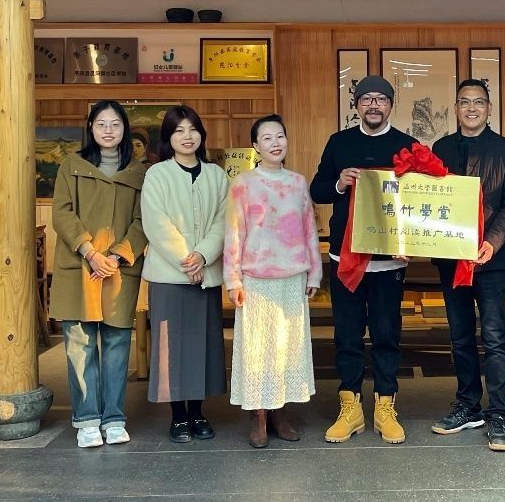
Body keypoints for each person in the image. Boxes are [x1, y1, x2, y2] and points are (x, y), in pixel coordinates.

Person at [310, 75, 418, 445]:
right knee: (347, 334)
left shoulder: (407, 145)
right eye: (366, 98)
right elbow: (318, 190)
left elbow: (420, 199)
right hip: (346, 257)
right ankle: (350, 408)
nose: (373, 105)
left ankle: (385, 406)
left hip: (389, 261)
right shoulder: (339, 143)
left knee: (387, 335)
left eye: (381, 99)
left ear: (391, 105)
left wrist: (413, 239)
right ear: (356, 105)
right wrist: (339, 183)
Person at [429, 79, 505, 452]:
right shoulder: (441, 149)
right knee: (460, 336)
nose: (471, 108)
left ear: (489, 108)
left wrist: (493, 241)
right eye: (465, 102)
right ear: (455, 108)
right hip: (451, 259)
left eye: (479, 102)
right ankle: (467, 405)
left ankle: (498, 412)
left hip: (491, 260)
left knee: (495, 338)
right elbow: (430, 200)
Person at [50, 100, 148, 449]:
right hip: (79, 265)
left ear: (125, 130)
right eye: (101, 123)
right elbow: (62, 213)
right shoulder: (71, 166)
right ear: (90, 127)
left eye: (115, 124)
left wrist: (118, 256)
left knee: (118, 345)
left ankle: (114, 418)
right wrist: (90, 252)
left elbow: (143, 221)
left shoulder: (139, 173)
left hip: (119, 269)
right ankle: (87, 419)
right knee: (80, 344)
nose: (108, 130)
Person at [224, 114, 323, 449]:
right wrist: (233, 280)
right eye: (266, 138)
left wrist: (314, 271)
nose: (275, 143)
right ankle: (259, 417)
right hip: (256, 280)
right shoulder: (243, 183)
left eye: (280, 136)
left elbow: (309, 229)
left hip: (292, 278)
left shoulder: (297, 182)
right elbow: (233, 233)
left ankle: (281, 415)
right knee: (258, 350)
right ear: (255, 146)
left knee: (287, 349)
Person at [141, 105, 228, 444]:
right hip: (169, 276)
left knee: (203, 344)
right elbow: (156, 222)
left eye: (193, 129)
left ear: (202, 135)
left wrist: (203, 255)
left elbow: (224, 220)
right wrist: (187, 260)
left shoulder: (217, 175)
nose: (187, 136)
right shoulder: (157, 174)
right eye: (179, 130)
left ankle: (198, 412)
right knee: (171, 345)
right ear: (168, 137)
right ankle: (178, 416)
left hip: (206, 274)